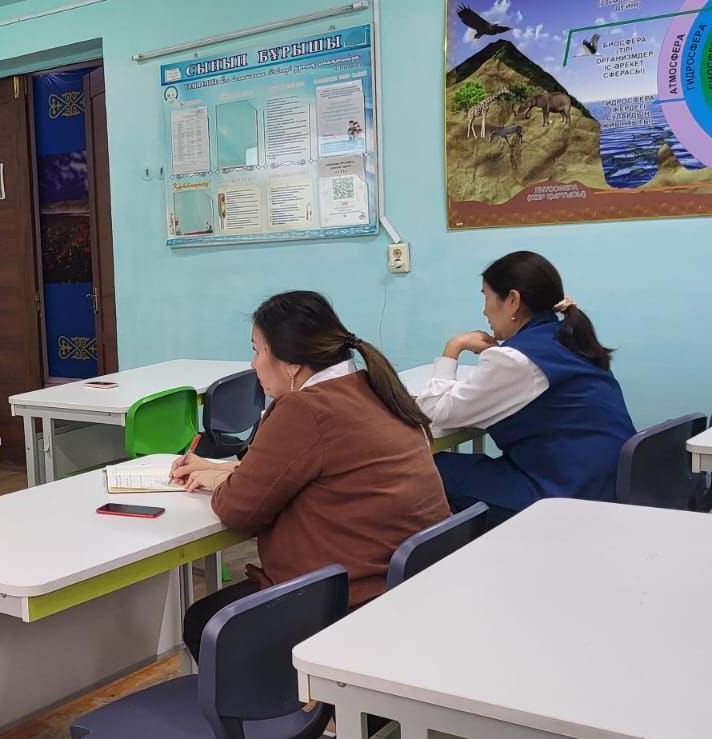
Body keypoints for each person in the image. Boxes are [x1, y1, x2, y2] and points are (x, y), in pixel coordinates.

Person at [169, 291, 449, 660]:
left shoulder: (303, 408)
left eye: (257, 350)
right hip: (408, 585)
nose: (253, 364)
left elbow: (238, 510)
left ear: (291, 364)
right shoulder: (371, 385)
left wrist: (221, 482)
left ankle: (292, 696)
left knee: (205, 622)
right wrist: (225, 468)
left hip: (347, 599)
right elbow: (325, 469)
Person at [417, 251, 634, 526]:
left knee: (422, 469)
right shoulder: (566, 337)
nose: (484, 310)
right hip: (606, 484)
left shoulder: (516, 360)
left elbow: (432, 414)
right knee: (464, 467)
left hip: (565, 496)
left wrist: (454, 346)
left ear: (513, 300)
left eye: (486, 297)